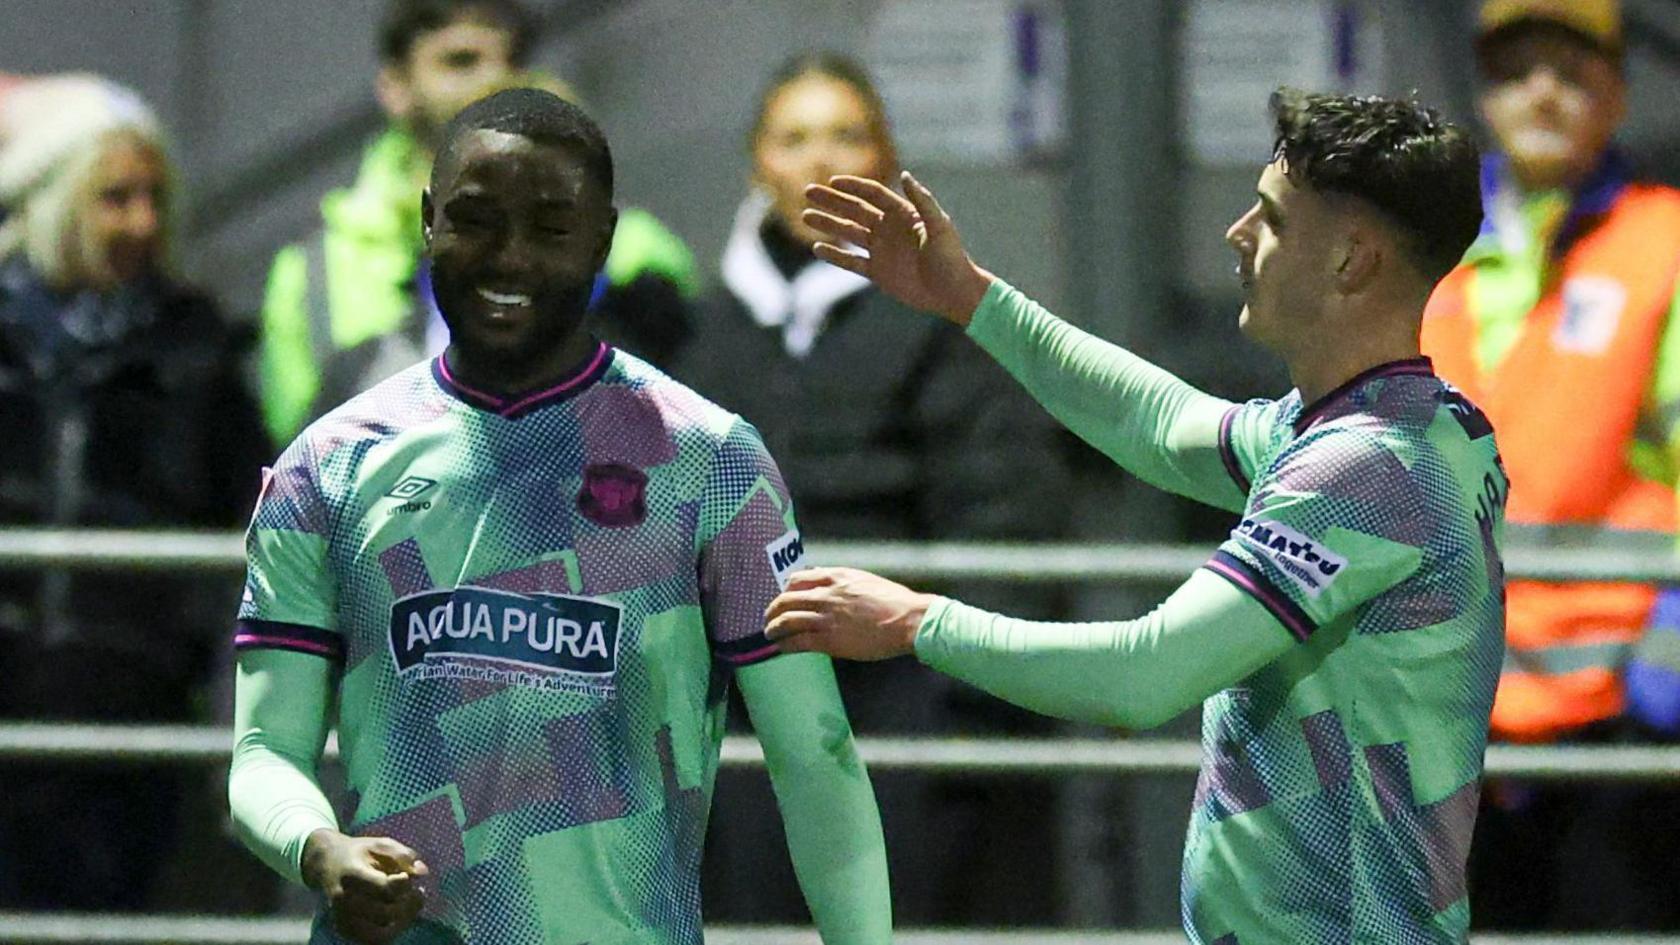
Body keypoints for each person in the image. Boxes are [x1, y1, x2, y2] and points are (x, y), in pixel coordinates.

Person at [766, 88, 1501, 942]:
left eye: (1270, 217)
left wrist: (913, 621)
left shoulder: (1364, 465)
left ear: (1350, 261)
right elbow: (1159, 424)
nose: (1237, 233)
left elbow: (1141, 674)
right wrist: (970, 296)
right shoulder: (1427, 423)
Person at [227, 88, 891, 945]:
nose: (510, 259)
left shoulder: (709, 463)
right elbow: (262, 755)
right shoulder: (330, 464)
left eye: (550, 228)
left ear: (604, 240)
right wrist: (321, 851)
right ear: (428, 223)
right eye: (475, 220)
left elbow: (817, 756)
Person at [677, 52, 1069, 925]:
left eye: (847, 135)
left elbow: (1006, 514)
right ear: (757, 164)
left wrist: (961, 704)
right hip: (734, 707)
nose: (820, 160)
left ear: (887, 163)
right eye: (794, 137)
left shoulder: (951, 324)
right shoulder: (691, 336)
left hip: (906, 707)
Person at [1419, 0, 1680, 929]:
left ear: (1616, 96)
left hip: (1617, 704)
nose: (1544, 93)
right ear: (1485, 93)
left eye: (1572, 73)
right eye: (1519, 69)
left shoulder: (1665, 245)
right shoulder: (1428, 243)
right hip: (1443, 700)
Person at [0, 75, 267, 910]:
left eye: (154, 197)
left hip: (137, 720)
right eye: (114, 197)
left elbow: (256, 530)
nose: (142, 222)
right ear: (51, 202)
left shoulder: (199, 353)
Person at [259, 0, 696, 447]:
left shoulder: (634, 248)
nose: (493, 80)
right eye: (460, 61)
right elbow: (298, 460)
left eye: (511, 61)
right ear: (395, 87)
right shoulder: (315, 272)